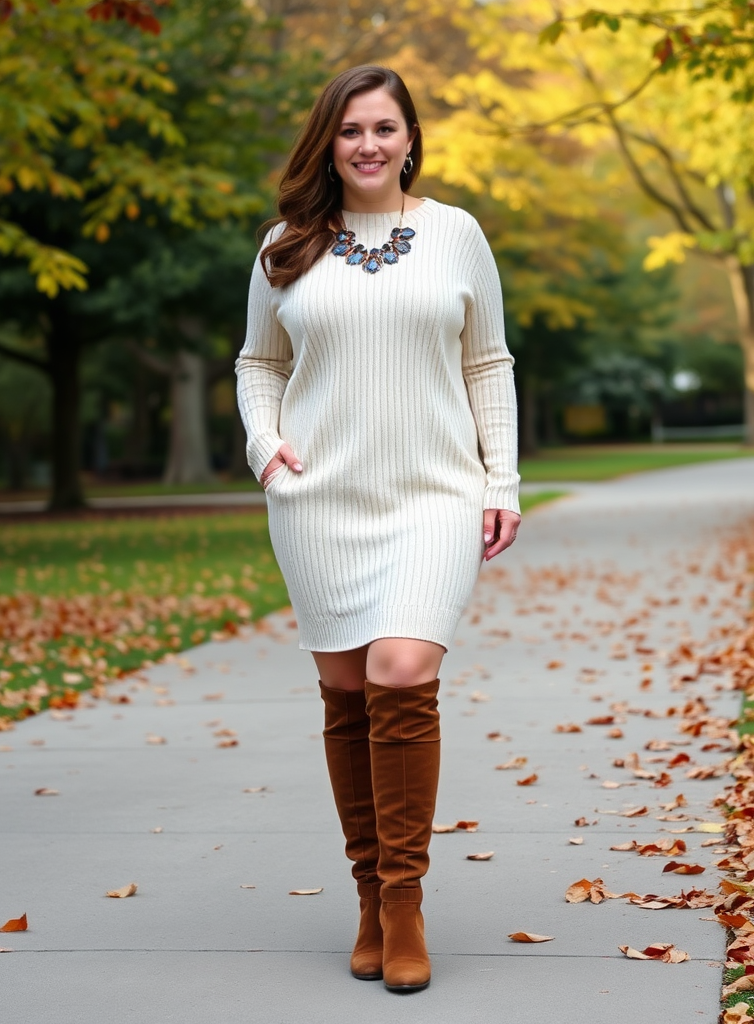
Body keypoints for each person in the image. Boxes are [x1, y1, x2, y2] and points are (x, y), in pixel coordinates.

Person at [235, 64, 521, 994]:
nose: (368, 145)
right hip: (322, 502)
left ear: (410, 138)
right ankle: (368, 896)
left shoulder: (455, 234)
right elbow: (257, 362)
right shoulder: (286, 246)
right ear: (330, 141)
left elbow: (488, 362)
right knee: (350, 692)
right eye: (351, 130)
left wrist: (502, 481)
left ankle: (405, 903)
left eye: (384, 128)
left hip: (434, 492)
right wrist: (266, 449)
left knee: (404, 670)